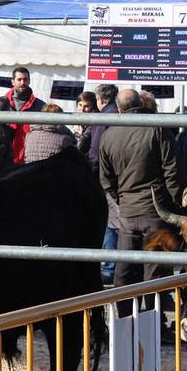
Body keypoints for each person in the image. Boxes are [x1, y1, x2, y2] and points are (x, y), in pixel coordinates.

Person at [99, 89, 182, 311]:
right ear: (141, 104)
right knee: (154, 268)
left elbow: (105, 178)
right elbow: (171, 170)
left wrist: (121, 198)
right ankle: (155, 322)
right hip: (155, 209)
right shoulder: (157, 128)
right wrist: (175, 204)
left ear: (118, 108)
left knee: (125, 267)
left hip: (127, 209)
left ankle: (124, 317)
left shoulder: (109, 134)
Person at [86, 84, 120, 285]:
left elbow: (95, 150)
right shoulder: (120, 114)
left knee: (110, 224)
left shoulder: (103, 118)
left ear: (100, 100)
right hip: (120, 174)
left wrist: (90, 172)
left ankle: (109, 267)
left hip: (105, 177)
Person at [4, 67, 46, 164]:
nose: (22, 82)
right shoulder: (2, 104)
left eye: (25, 79)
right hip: (5, 158)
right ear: (13, 82)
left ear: (29, 81)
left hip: (29, 159)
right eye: (19, 79)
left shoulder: (40, 106)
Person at [74, 91, 98, 159]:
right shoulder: (78, 120)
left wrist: (78, 135)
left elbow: (80, 147)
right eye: (80, 105)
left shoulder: (94, 122)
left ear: (93, 107)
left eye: (86, 106)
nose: (82, 109)